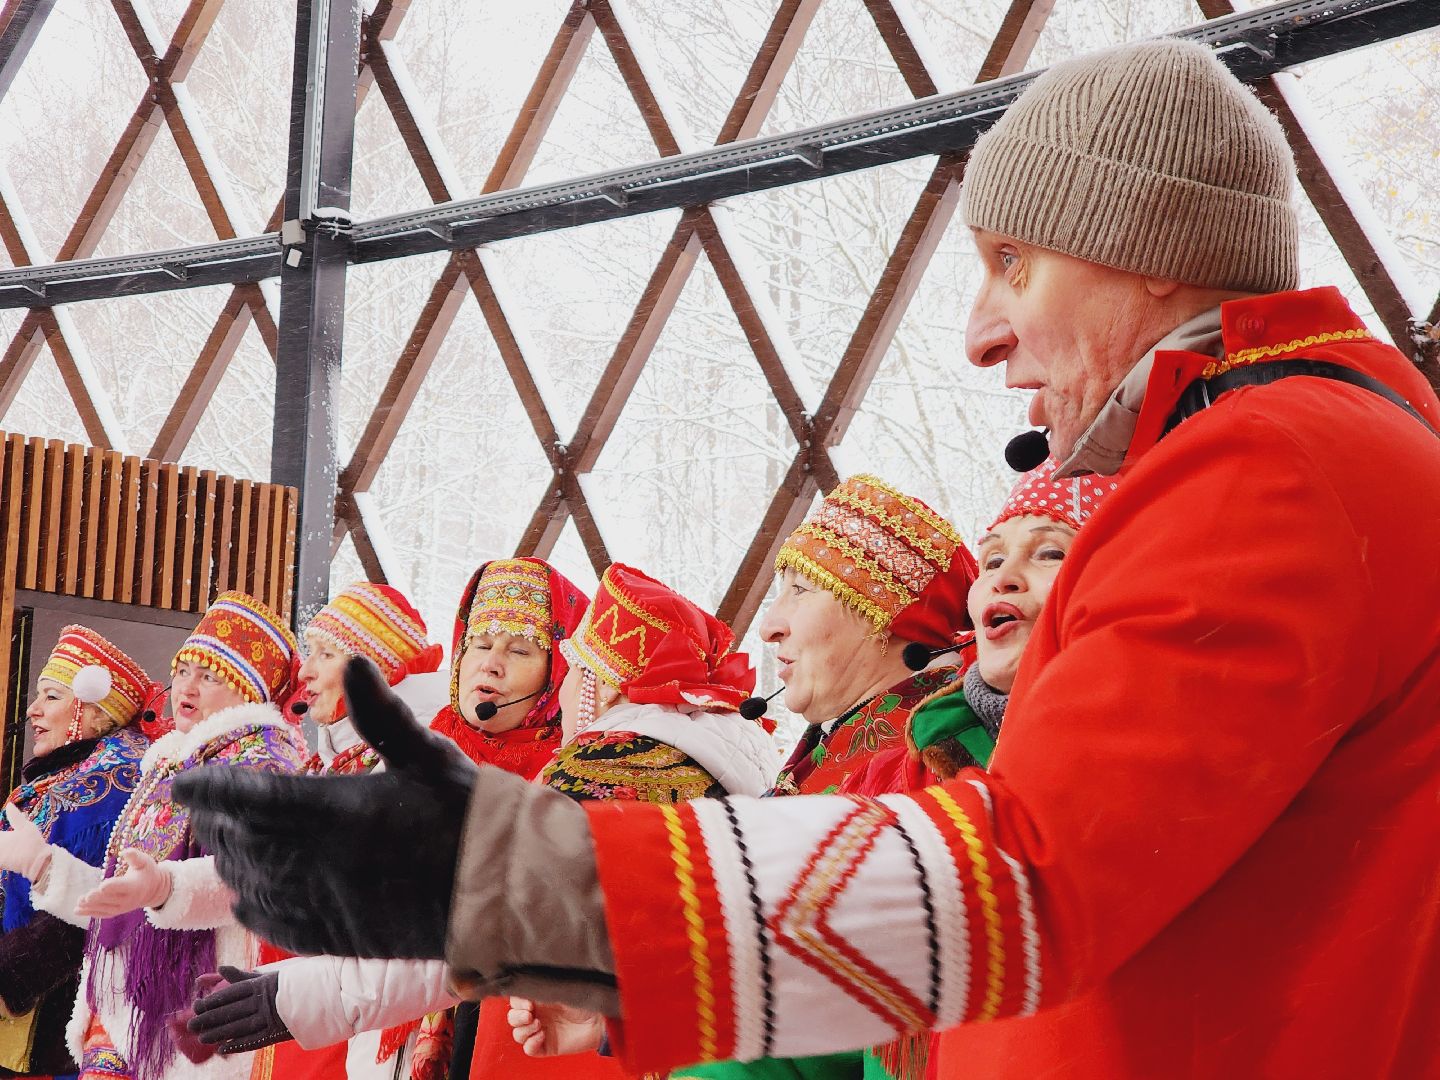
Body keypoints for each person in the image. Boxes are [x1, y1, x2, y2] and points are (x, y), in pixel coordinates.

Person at [175, 38, 1440, 1079]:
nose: (980, 334)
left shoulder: (1273, 462)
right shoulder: (1311, 451)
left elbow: (1034, 870)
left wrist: (538, 882)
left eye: (1013, 262)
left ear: (1146, 243)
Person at [183, 559, 589, 1080]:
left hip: (505, 1045)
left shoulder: (565, 787)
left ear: (557, 672)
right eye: (481, 644)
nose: (490, 665)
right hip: (373, 1042)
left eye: (520, 650)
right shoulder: (410, 761)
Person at [2, 592, 308, 1080]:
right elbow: (121, 902)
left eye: (210, 676)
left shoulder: (262, 769)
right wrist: (43, 866)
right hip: (120, 1016)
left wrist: (164, 887)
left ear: (248, 690)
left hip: (188, 1026)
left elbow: (246, 883)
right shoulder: (166, 767)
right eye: (183, 670)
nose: (187, 686)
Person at [759, 475, 978, 798]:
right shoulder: (840, 737)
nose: (768, 628)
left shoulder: (926, 768)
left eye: (801, 589)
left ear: (883, 614)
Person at [0, 627, 155, 1079]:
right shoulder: (63, 774)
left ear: (94, 710)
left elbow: (85, 912)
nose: (33, 710)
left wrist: (10, 977)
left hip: (50, 1019)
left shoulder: (113, 786)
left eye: (51, 697)